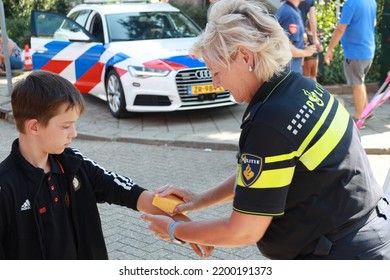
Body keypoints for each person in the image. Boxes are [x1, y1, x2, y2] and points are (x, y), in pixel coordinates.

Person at [142, 0, 390, 260]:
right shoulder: (302, 88)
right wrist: (200, 199)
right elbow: (264, 177)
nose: (216, 83)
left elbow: (243, 231)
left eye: (216, 72)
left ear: (245, 56)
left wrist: (175, 229)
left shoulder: (269, 122)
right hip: (367, 238)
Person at [0, 70, 212, 259]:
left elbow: (135, 194)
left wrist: (190, 227)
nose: (74, 133)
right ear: (34, 127)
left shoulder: (76, 165)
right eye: (66, 126)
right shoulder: (5, 186)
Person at [324, 0, 377, 122]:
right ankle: (367, 111)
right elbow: (373, 23)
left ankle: (358, 118)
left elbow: (340, 29)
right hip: (368, 50)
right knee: (359, 81)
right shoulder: (371, 2)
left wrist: (330, 50)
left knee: (356, 84)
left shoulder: (351, 4)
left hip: (355, 52)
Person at [275, 0, 316, 74]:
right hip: (289, 73)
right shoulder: (291, 15)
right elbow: (287, 48)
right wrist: (306, 52)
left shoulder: (285, 9)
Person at [298, 0, 323, 80]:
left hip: (293, 31)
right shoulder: (310, 1)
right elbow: (312, 19)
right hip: (301, 33)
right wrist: (315, 39)